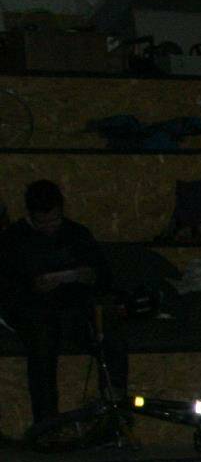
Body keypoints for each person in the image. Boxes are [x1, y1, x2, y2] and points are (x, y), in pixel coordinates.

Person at [0, 180, 125, 429]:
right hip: (33, 312)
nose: (49, 227)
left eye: (55, 221)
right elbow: (7, 288)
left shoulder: (77, 234)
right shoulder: (13, 239)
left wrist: (90, 276)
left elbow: (105, 276)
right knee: (42, 341)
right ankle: (47, 425)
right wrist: (33, 287)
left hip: (74, 308)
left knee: (110, 337)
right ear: (30, 215)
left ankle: (113, 418)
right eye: (42, 222)